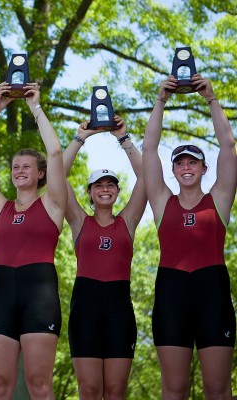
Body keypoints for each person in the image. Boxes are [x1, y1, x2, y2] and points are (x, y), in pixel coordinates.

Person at [142, 74, 236, 399]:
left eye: (192, 162)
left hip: (213, 292)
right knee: (175, 388)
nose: (186, 166)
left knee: (217, 388)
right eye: (179, 162)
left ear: (203, 169)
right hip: (172, 292)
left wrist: (211, 97)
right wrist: (160, 100)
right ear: (173, 170)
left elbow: (228, 145)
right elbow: (149, 148)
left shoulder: (220, 199)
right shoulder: (161, 201)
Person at [0, 82, 67, 399]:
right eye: (15, 167)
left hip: (39, 294)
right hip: (0, 293)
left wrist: (35, 107)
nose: (19, 170)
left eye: (27, 166)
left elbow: (55, 153)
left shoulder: (53, 204)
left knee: (39, 384)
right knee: (0, 385)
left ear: (41, 174)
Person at [62, 117, 147, 399]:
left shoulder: (128, 222)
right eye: (99, 185)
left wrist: (124, 138)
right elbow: (56, 178)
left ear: (117, 191)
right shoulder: (78, 221)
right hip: (85, 307)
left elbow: (147, 177)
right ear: (89, 192)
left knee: (115, 390)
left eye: (111, 184)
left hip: (118, 308)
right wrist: (80, 137)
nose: (105, 188)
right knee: (89, 389)